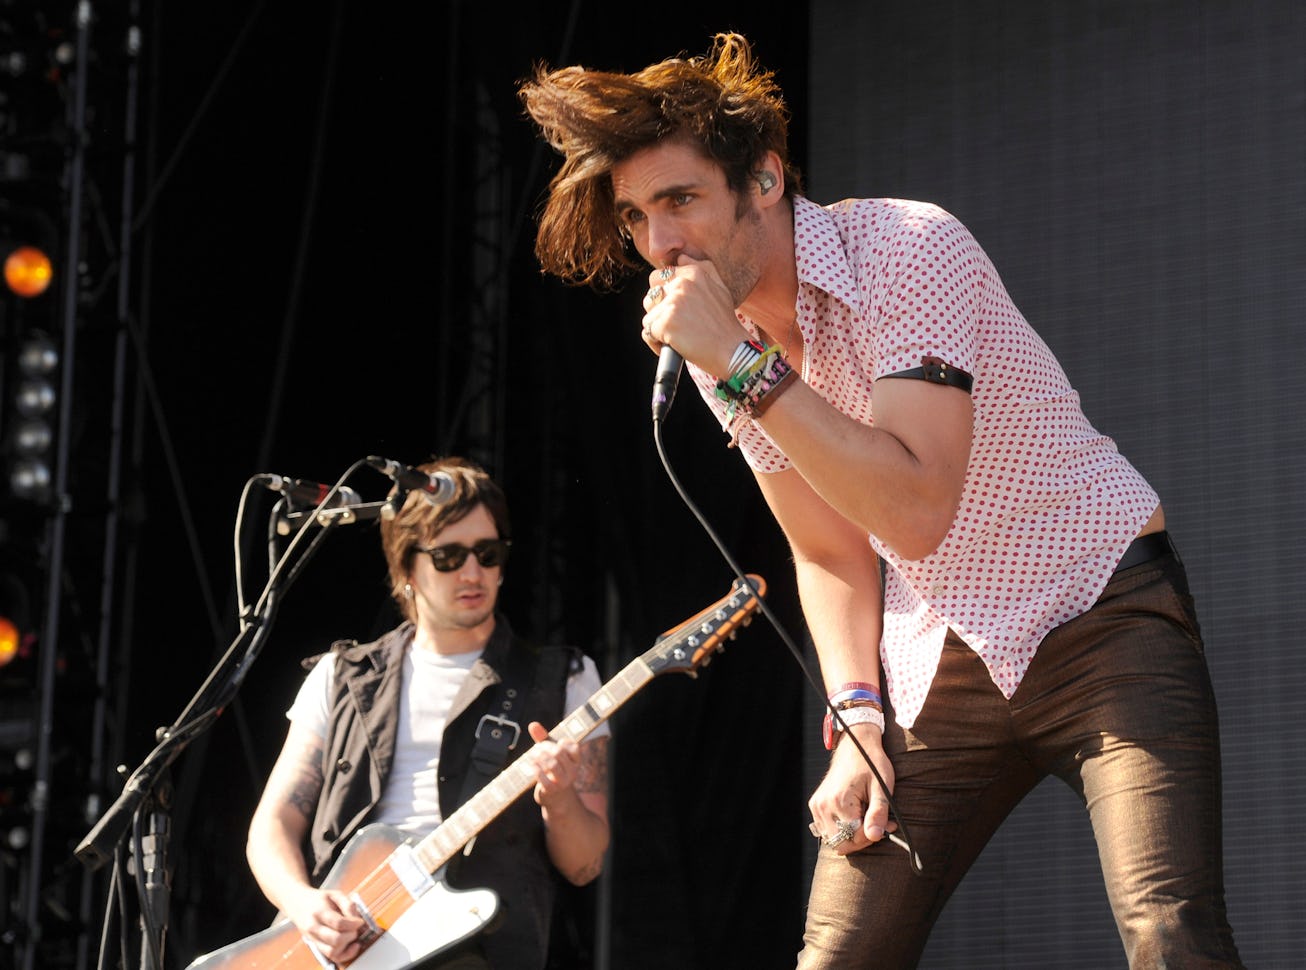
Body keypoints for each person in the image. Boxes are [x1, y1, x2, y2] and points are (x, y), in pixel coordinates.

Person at [518, 33, 1242, 969]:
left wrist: (741, 367)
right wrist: (858, 714)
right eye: (636, 218)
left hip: (1100, 616)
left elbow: (912, 510)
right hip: (937, 650)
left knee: (1169, 931)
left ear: (765, 180)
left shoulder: (906, 247)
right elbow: (826, 549)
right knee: (837, 954)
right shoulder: (720, 350)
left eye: (681, 200)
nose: (659, 244)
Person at [245, 456, 611, 970]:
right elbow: (273, 824)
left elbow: (586, 864)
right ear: (407, 569)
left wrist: (560, 799)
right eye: (449, 557)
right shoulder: (341, 675)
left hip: (473, 947)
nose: (473, 572)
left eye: (488, 553)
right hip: (346, 942)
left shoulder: (566, 678)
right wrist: (303, 904)